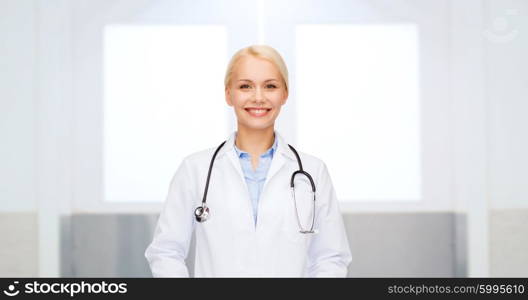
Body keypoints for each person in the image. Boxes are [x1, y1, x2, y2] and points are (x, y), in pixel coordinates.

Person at [145, 45, 352, 277]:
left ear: (285, 94)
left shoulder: (313, 172)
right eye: (245, 86)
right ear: (228, 94)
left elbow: (331, 258)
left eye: (270, 86)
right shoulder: (195, 170)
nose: (258, 97)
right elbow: (165, 252)